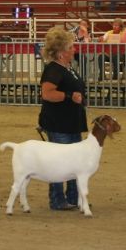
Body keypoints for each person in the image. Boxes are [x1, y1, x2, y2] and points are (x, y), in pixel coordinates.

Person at [38, 26, 87, 211]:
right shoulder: (53, 70)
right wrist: (69, 96)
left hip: (72, 122)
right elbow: (47, 94)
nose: (74, 49)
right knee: (59, 165)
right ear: (60, 53)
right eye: (70, 47)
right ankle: (57, 200)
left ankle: (73, 198)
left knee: (75, 162)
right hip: (59, 124)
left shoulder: (67, 68)